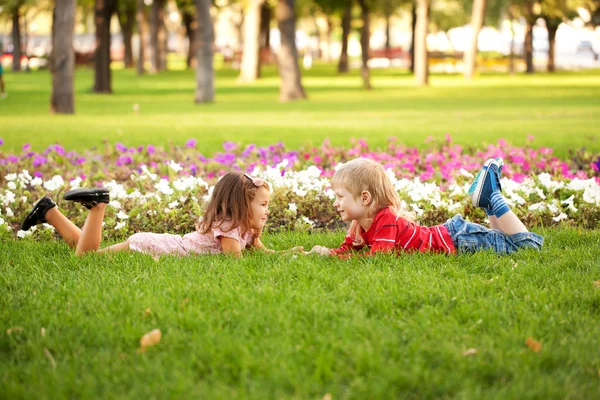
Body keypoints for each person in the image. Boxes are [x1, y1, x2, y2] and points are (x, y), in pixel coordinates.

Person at [307, 157, 544, 257]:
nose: (336, 203)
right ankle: (489, 203)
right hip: (455, 235)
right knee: (505, 239)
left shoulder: (386, 218)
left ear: (365, 198)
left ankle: (493, 197)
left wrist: (338, 259)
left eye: (340, 196)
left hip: (459, 240)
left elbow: (378, 256)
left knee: (527, 247)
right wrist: (328, 253)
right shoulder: (360, 224)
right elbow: (348, 249)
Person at [21, 172, 286, 257]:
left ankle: (49, 212)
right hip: (154, 247)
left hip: (161, 242)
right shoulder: (229, 227)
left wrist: (293, 253)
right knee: (87, 259)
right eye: (263, 205)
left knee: (89, 252)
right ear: (241, 205)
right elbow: (235, 262)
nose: (267, 211)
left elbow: (264, 255)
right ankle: (98, 207)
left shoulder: (244, 228)